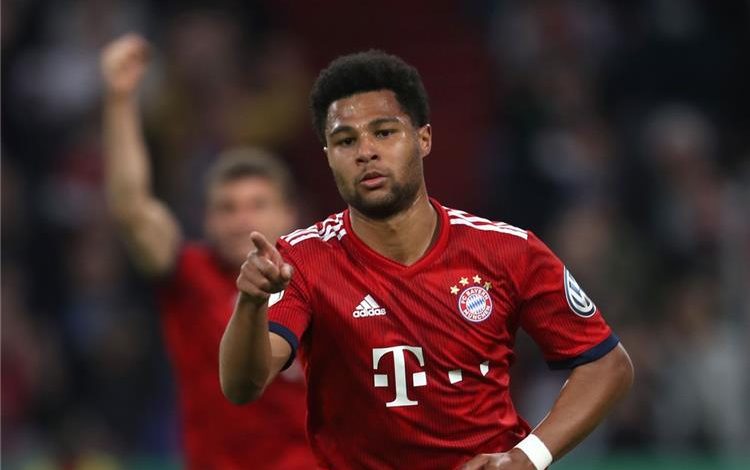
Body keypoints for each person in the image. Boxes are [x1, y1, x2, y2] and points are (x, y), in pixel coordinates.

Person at [220, 50, 634, 470]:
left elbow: (606, 363)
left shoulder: (508, 251)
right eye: (346, 141)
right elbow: (242, 386)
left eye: (384, 132)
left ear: (424, 138)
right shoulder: (302, 260)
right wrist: (251, 302)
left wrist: (529, 456)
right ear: (328, 155)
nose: (366, 152)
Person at [100, 34, 315, 469]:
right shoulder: (189, 274)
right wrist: (120, 100)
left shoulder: (325, 279)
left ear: (289, 213)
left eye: (257, 205)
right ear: (207, 219)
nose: (241, 220)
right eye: (227, 208)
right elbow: (131, 209)